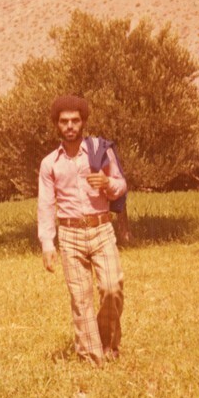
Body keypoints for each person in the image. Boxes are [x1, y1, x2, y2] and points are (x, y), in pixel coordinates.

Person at [37, 94, 127, 366]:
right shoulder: (50, 163)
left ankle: (107, 342)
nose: (70, 126)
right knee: (81, 299)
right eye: (64, 121)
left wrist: (108, 184)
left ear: (83, 122)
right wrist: (47, 244)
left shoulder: (100, 152)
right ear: (57, 124)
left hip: (101, 230)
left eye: (75, 121)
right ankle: (91, 358)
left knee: (112, 288)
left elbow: (121, 185)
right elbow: (45, 204)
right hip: (70, 235)